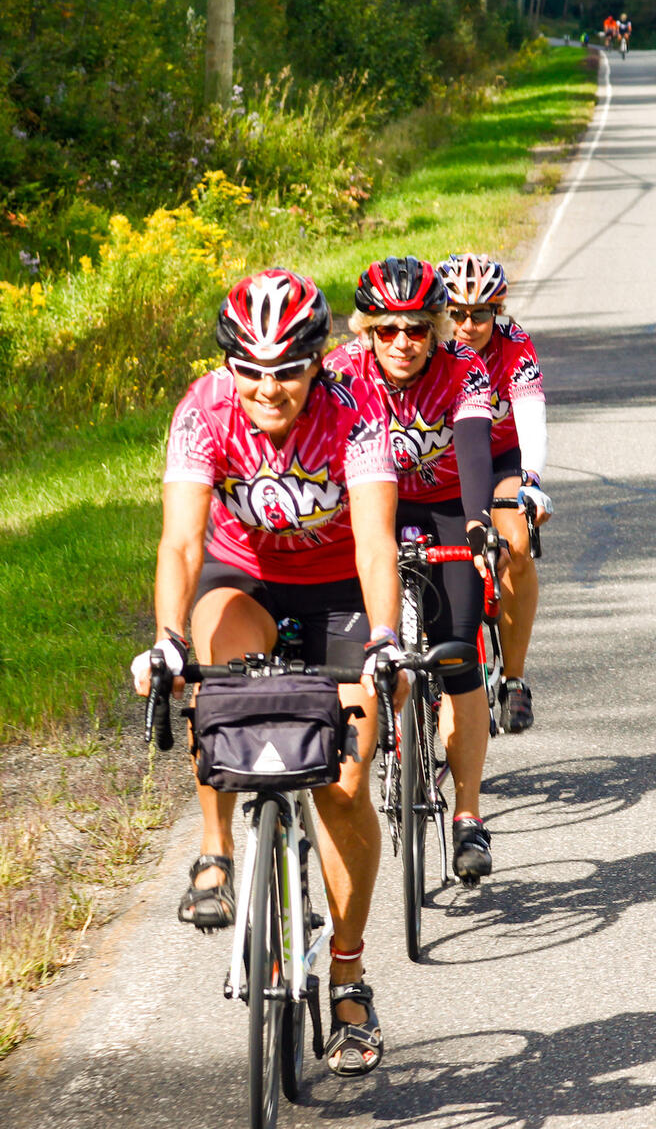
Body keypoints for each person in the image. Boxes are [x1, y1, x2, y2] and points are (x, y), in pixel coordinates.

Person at [131, 268, 407, 1077]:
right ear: (228, 364)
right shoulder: (203, 408)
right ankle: (216, 851)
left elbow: (374, 544)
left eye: (286, 368)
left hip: (338, 590)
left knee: (346, 783)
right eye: (249, 368)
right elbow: (182, 543)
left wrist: (386, 637)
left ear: (318, 361)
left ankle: (350, 975)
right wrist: (166, 639)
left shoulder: (358, 416)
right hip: (243, 578)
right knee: (209, 666)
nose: (267, 386)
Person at [325, 255, 496, 882]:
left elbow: (476, 446)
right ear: (366, 329)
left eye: (417, 329)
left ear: (436, 329)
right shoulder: (340, 374)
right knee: (366, 635)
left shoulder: (464, 368)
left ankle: (469, 816)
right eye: (388, 328)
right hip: (372, 505)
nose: (403, 342)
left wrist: (479, 523)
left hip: (450, 502)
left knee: (457, 654)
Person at [437, 253, 553, 734]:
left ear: (497, 312)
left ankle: (514, 679)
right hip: (442, 465)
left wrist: (531, 482)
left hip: (501, 458)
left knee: (518, 546)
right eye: (456, 313)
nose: (467, 325)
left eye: (479, 314)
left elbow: (530, 417)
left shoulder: (514, 345)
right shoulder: (428, 347)